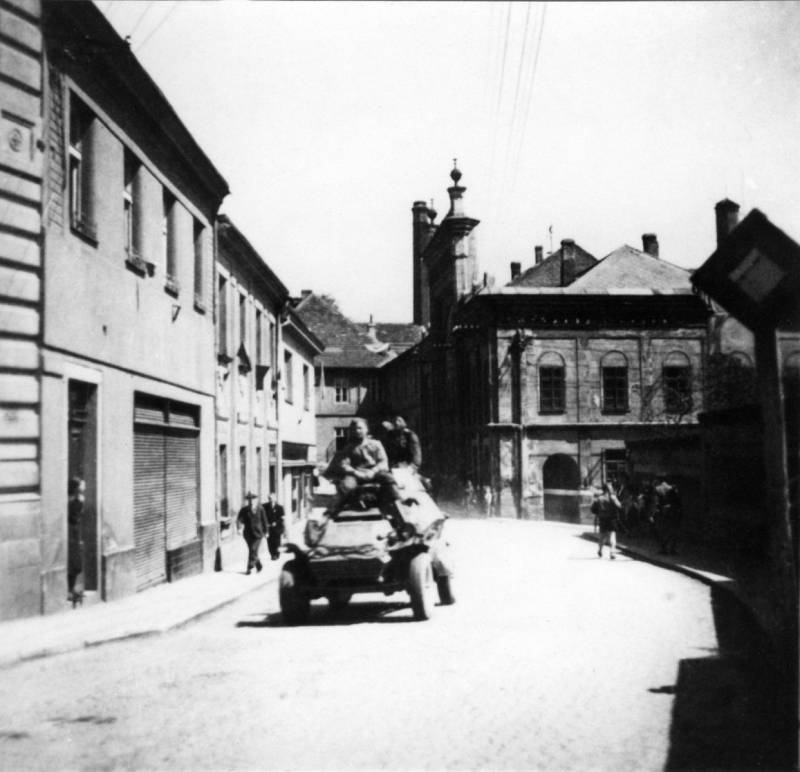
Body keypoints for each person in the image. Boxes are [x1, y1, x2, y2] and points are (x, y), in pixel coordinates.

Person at [325, 418, 411, 515]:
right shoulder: (349, 448)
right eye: (354, 429)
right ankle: (329, 512)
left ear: (366, 430)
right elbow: (344, 464)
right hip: (356, 475)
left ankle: (400, 501)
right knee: (345, 486)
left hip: (375, 473)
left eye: (360, 428)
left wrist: (373, 471)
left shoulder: (376, 444)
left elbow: (383, 462)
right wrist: (356, 473)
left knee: (388, 478)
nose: (357, 431)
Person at [237, 492, 268, 574]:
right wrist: (239, 528)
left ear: (256, 500)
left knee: (253, 549)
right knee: (252, 550)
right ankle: (259, 565)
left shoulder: (261, 509)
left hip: (258, 533)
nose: (251, 501)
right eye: (250, 499)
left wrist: (266, 531)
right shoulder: (244, 510)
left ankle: (250, 567)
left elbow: (264, 521)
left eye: (253, 499)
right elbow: (239, 519)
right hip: (248, 534)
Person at [591, 482, 622, 559]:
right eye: (611, 488)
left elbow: (593, 509)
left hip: (602, 519)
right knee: (612, 535)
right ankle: (612, 552)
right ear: (609, 489)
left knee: (602, 536)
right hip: (612, 519)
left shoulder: (599, 498)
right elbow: (619, 506)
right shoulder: (613, 498)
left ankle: (600, 550)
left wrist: (598, 513)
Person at [67, 476, 85, 606]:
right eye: (81, 486)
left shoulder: (79, 500)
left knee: (76, 563)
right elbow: (73, 517)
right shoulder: (72, 501)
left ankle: (72, 589)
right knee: (73, 563)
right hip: (70, 533)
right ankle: (70, 589)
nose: (83, 489)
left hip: (75, 532)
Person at [653, 477, 682, 555]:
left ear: (658, 481)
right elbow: (678, 502)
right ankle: (672, 549)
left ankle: (664, 549)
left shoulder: (657, 489)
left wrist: (656, 512)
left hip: (662, 514)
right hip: (674, 513)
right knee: (673, 532)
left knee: (662, 531)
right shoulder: (673, 488)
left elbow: (656, 502)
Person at [263, 493, 285, 561]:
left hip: (277, 528)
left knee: (277, 541)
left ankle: (277, 554)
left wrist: (276, 522)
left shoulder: (280, 507)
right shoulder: (264, 506)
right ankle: (272, 554)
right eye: (269, 498)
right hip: (268, 527)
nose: (271, 500)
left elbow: (282, 518)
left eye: (272, 498)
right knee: (269, 541)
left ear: (275, 499)